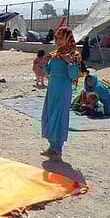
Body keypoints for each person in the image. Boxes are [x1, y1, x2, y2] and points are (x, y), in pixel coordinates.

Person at [41, 26, 81, 161]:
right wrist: (45, 63)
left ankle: (58, 149)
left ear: (68, 39)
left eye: (61, 38)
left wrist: (70, 63)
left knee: (59, 117)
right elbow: (48, 73)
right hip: (52, 88)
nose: (58, 41)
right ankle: (51, 147)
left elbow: (74, 76)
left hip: (63, 89)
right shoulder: (54, 54)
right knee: (50, 114)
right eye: (57, 38)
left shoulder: (74, 55)